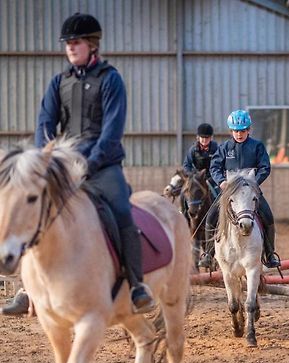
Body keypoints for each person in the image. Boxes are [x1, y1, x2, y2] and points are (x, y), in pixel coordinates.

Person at [1, 13, 153, 315]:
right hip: (63, 164)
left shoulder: (111, 79)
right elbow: (45, 122)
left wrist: (91, 162)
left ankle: (136, 285)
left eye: (76, 41)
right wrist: (43, 159)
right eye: (67, 43)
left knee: (122, 211)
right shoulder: (59, 82)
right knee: (36, 209)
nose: (70, 46)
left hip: (103, 165)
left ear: (92, 44)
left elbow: (112, 130)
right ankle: (28, 289)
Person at [198, 109, 281, 269]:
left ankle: (270, 254)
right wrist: (221, 181)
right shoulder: (224, 148)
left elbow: (265, 167)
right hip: (230, 193)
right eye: (236, 131)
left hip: (251, 192)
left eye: (242, 131)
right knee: (210, 217)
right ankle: (208, 254)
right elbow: (215, 166)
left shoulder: (257, 146)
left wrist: (255, 183)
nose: (239, 134)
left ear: (248, 130)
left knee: (268, 217)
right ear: (231, 131)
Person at [180, 123, 219, 220]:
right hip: (197, 179)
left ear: (211, 138)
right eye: (202, 138)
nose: (204, 140)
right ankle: (184, 216)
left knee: (219, 194)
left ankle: (219, 218)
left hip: (212, 178)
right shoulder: (193, 149)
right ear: (198, 137)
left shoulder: (216, 149)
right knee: (183, 194)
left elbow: (220, 164)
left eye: (207, 138)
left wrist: (212, 178)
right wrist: (192, 177)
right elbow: (186, 165)